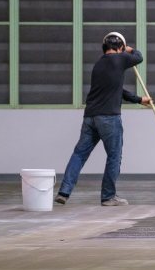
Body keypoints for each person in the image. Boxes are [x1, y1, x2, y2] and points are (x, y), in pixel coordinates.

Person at [55, 32, 150, 206]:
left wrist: (139, 100)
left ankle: (64, 192)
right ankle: (108, 196)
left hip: (90, 117)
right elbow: (139, 57)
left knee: (79, 154)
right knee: (114, 156)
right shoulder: (121, 59)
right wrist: (130, 49)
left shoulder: (98, 65)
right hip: (109, 118)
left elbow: (117, 91)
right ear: (120, 47)